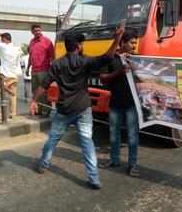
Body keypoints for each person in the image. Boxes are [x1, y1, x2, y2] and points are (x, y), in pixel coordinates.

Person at [30, 20, 126, 190]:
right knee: (87, 142)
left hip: (63, 110)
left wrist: (33, 100)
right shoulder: (85, 62)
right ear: (78, 46)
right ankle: (94, 178)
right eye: (81, 43)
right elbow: (108, 57)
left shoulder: (57, 64)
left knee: (52, 139)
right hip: (83, 109)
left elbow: (44, 85)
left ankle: (43, 164)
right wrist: (117, 38)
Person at [98, 31, 140, 177]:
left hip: (132, 104)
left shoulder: (138, 59)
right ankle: (114, 160)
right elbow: (103, 79)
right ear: (122, 43)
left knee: (133, 135)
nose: (134, 46)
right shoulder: (110, 58)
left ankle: (133, 165)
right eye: (131, 43)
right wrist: (119, 73)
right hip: (115, 103)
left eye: (135, 43)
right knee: (114, 134)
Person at [0, 32, 22, 118]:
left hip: (4, 76)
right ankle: (13, 113)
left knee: (1, 95)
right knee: (13, 96)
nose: (1, 41)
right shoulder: (17, 49)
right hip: (14, 75)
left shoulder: (4, 47)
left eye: (2, 39)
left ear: (4, 39)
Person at [27, 24, 54, 116]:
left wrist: (52, 71)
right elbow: (30, 56)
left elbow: (52, 57)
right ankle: (38, 110)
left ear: (41, 30)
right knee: (35, 91)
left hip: (44, 70)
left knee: (44, 91)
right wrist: (27, 68)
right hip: (34, 70)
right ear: (32, 32)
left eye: (39, 30)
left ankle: (46, 111)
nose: (37, 32)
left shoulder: (47, 41)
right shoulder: (31, 42)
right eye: (35, 30)